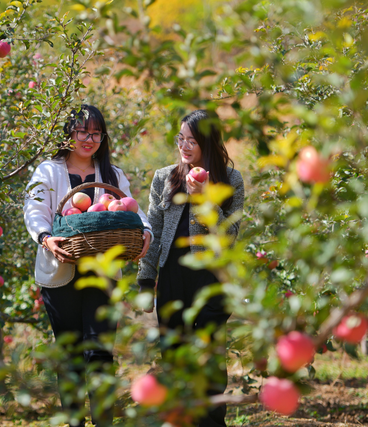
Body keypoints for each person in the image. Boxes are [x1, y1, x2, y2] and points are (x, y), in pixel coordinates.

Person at [23, 104, 153, 427]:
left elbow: (131, 212)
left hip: (102, 275)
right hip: (60, 271)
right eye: (82, 131)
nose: (89, 139)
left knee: (100, 352)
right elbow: (34, 210)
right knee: (69, 355)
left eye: (95, 133)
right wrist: (46, 238)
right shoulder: (48, 171)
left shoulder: (111, 174)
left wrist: (146, 232)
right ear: (69, 133)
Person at [137, 109, 244, 427]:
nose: (184, 146)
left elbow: (230, 236)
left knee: (210, 360)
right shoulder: (164, 177)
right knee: (174, 355)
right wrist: (146, 277)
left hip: (211, 279)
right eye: (180, 138)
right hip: (173, 278)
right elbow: (152, 231)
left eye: (192, 141)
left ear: (208, 144)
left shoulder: (230, 180)